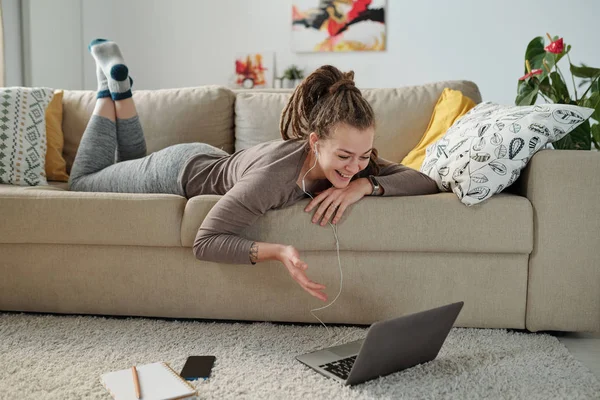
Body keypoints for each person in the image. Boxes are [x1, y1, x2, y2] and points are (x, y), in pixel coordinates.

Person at [70, 39, 439, 303]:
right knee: (83, 181)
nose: (354, 166)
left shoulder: (357, 164)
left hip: (210, 158)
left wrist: (363, 187)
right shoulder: (276, 177)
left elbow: (424, 180)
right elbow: (205, 241)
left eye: (363, 156)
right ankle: (107, 90)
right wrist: (277, 251)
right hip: (176, 170)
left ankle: (121, 90)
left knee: (126, 162)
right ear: (314, 142)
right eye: (345, 156)